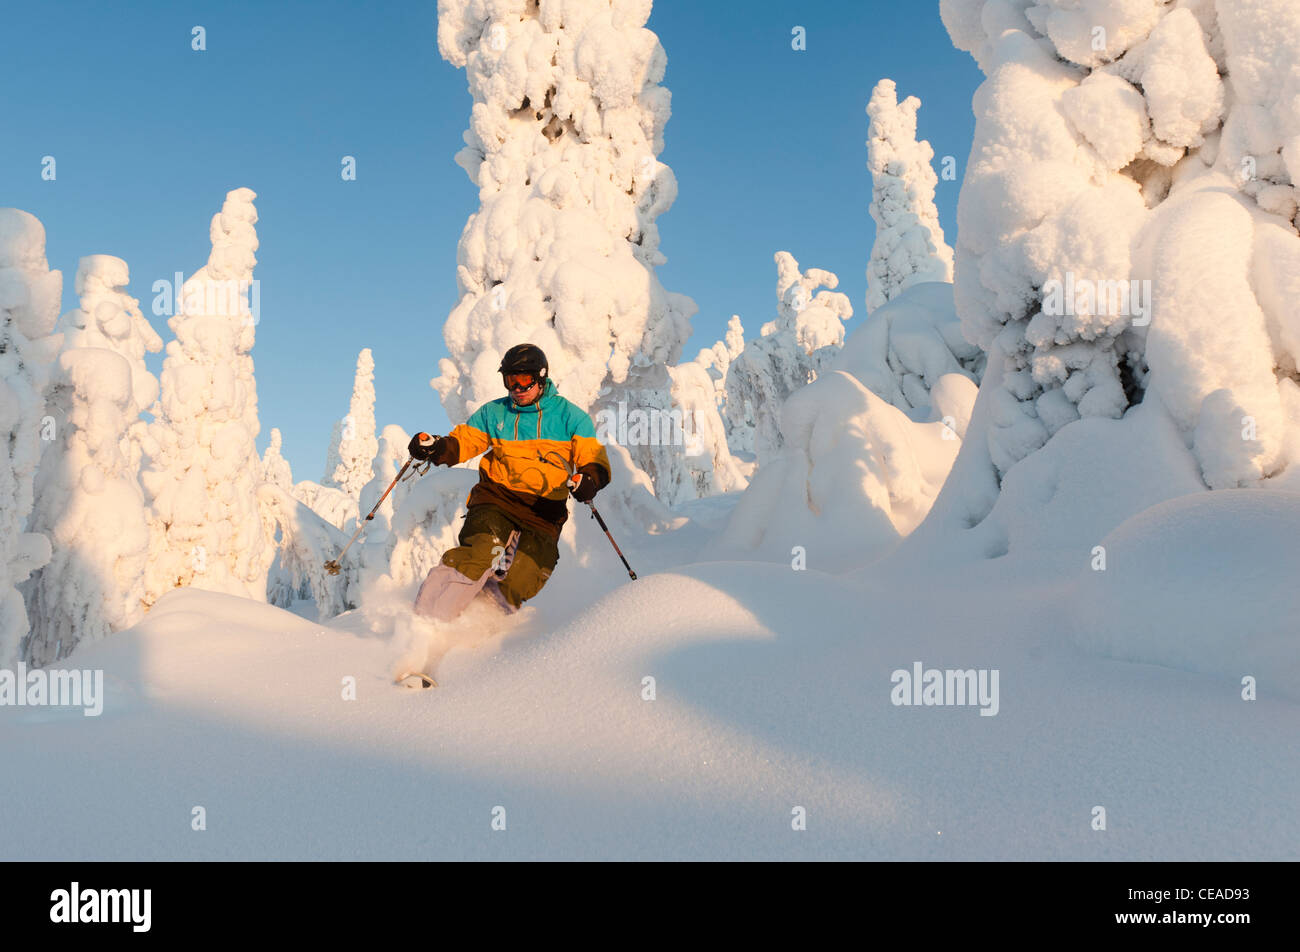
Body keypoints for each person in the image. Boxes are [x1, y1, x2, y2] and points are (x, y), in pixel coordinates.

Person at [407, 343, 611, 618]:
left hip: (543, 511)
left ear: (540, 377)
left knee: (528, 572)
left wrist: (589, 478)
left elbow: (593, 458)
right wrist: (437, 447)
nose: (516, 388)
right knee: (482, 551)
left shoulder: (570, 417)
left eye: (523, 380)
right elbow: (463, 442)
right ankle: (427, 619)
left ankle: (480, 622)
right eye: (510, 380)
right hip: (497, 499)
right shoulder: (495, 413)